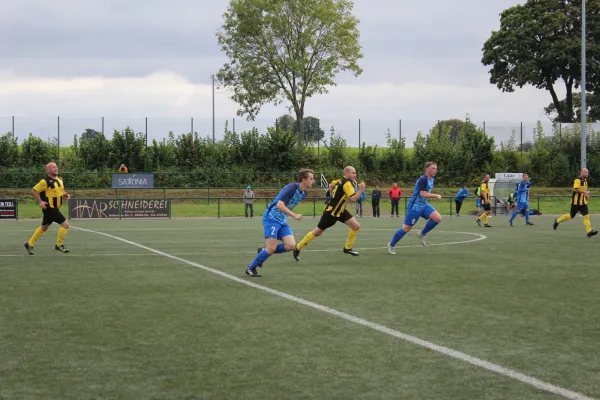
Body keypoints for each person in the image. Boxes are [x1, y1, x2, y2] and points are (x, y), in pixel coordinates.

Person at [244, 169, 315, 277]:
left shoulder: (304, 193)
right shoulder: (292, 188)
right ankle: (250, 268)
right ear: (303, 180)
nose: (313, 181)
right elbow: (279, 205)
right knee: (271, 248)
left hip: (282, 220)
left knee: (291, 245)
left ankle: (263, 251)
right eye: (311, 178)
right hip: (271, 218)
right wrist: (294, 215)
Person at [293, 166, 365, 260]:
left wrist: (333, 193)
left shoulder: (339, 180)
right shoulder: (347, 184)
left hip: (340, 210)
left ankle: (347, 248)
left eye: (355, 173)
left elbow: (331, 185)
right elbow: (353, 198)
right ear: (346, 173)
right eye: (353, 173)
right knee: (317, 232)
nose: (355, 175)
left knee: (356, 226)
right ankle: (297, 247)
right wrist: (360, 190)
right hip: (331, 212)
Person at [387, 162, 443, 253]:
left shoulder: (431, 179)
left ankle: (422, 234)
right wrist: (436, 195)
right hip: (415, 207)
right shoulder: (423, 179)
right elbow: (423, 194)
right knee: (406, 228)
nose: (435, 170)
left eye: (436, 169)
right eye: (433, 168)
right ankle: (391, 244)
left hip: (424, 205)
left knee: (437, 218)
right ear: (427, 169)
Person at [24, 162, 72, 255]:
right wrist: (40, 201)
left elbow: (60, 191)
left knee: (44, 227)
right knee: (65, 225)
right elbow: (34, 191)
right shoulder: (45, 181)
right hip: (49, 208)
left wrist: (66, 195)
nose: (56, 168)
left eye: (56, 167)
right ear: (48, 170)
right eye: (53, 167)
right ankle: (59, 245)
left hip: (55, 208)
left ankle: (29, 244)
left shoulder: (60, 179)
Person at [553, 168, 598, 237]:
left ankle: (589, 232)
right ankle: (557, 221)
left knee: (586, 216)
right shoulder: (578, 179)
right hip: (576, 202)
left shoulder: (585, 180)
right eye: (585, 172)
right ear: (581, 172)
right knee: (571, 216)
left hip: (583, 202)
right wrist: (585, 192)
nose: (586, 173)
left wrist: (586, 195)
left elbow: (583, 190)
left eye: (587, 172)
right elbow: (575, 189)